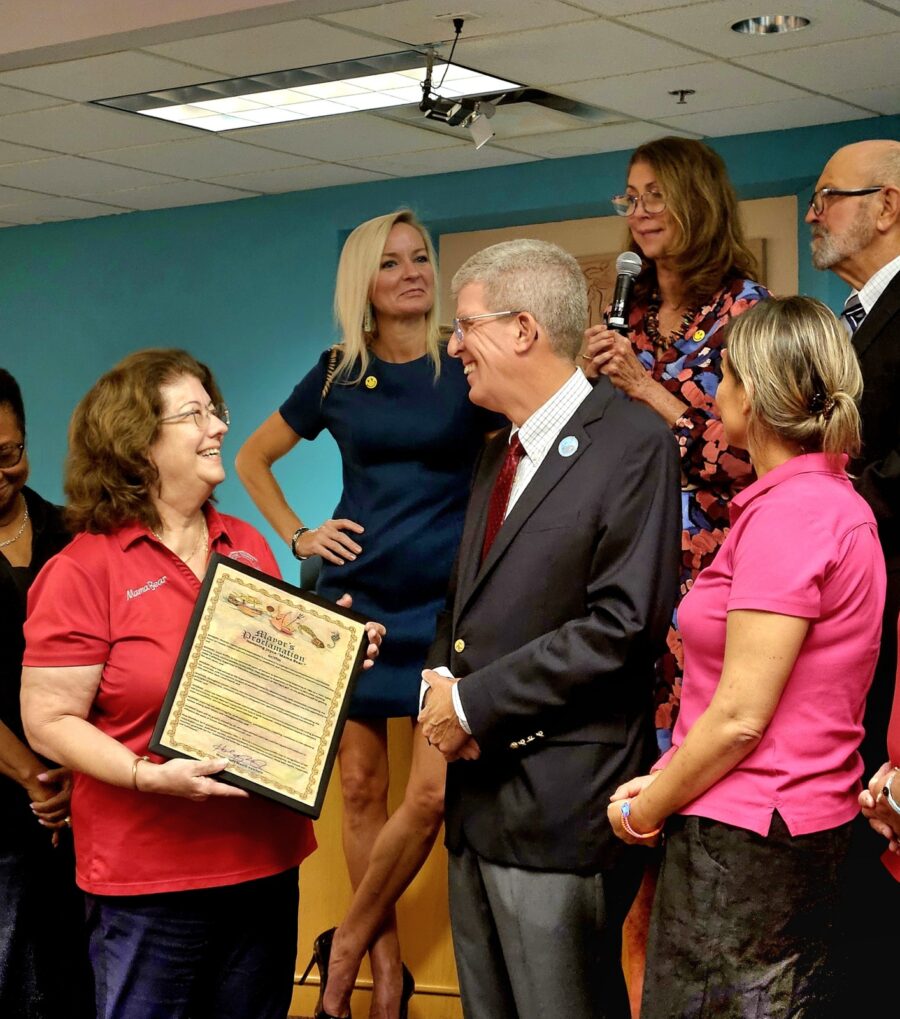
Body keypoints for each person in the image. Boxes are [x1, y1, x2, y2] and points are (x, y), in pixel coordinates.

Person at [19, 348, 383, 1019]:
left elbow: (265, 678)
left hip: (262, 860)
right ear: (137, 444)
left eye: (216, 410)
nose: (218, 426)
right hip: (148, 876)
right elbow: (48, 719)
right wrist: (141, 773)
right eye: (195, 414)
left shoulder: (245, 540)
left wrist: (328, 661)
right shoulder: (83, 568)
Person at [235, 209, 502, 1019]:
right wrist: (297, 533)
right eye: (392, 264)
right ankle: (385, 972)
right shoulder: (336, 375)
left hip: (451, 604)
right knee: (358, 788)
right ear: (365, 285)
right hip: (356, 598)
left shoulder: (468, 359)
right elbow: (252, 457)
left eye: (422, 258)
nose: (414, 273)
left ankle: (343, 941)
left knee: (429, 795)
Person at [418, 238, 681, 1019]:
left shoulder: (633, 444)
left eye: (466, 326)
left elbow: (621, 626)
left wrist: (472, 706)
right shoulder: (496, 449)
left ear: (524, 329)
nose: (455, 345)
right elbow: (463, 604)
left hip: (560, 808)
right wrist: (439, 683)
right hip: (476, 806)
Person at [608, 296, 886, 1019]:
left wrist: (646, 809)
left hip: (749, 838)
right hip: (779, 826)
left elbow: (740, 718)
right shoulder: (828, 500)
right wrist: (667, 774)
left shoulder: (794, 514)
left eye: (725, 375)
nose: (716, 391)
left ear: (756, 398)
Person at [582, 135, 770, 1009]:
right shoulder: (630, 315)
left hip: (711, 583)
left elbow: (746, 457)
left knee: (681, 829)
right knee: (620, 840)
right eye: (628, 197)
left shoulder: (748, 315)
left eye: (655, 194)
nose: (640, 211)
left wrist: (648, 394)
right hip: (625, 571)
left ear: (696, 199)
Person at [806, 138, 900, 1012]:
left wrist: (824, 493)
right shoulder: (854, 318)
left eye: (830, 196)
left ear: (889, 205)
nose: (812, 212)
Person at [0, 368, 93, 1018]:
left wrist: (73, 779)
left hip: (85, 805)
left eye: (11, 454)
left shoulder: (72, 531)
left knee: (75, 986)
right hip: (13, 808)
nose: (3, 473)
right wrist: (36, 781)